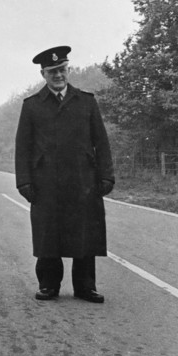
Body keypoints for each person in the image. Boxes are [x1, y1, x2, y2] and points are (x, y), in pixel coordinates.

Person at [14, 45, 115, 303]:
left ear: (68, 70)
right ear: (43, 74)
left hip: (83, 181)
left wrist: (106, 176)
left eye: (62, 69)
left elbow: (101, 142)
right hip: (45, 182)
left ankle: (85, 287)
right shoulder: (32, 106)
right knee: (48, 232)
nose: (58, 75)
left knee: (85, 232)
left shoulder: (86, 102)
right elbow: (23, 147)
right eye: (52, 71)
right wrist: (24, 181)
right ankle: (48, 285)